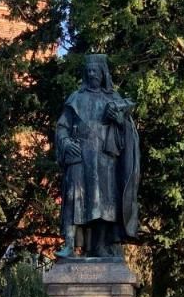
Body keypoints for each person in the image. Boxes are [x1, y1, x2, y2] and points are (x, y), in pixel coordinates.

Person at [55, 54, 140, 258]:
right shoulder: (76, 98)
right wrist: (65, 142)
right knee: (74, 199)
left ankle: (101, 246)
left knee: (103, 203)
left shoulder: (113, 98)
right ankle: (69, 244)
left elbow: (126, 131)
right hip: (80, 155)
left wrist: (119, 120)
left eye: (96, 70)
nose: (92, 74)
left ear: (103, 74)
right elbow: (62, 127)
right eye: (89, 70)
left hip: (105, 158)